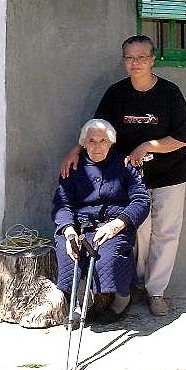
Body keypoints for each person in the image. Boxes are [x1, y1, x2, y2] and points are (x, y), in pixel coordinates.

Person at [61, 35, 186, 316]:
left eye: (142, 57)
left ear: (153, 59)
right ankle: (134, 285)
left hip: (170, 174)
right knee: (137, 233)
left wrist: (146, 146)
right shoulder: (116, 94)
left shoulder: (170, 93)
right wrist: (75, 150)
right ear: (123, 61)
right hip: (129, 179)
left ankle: (156, 292)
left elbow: (181, 138)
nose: (136, 63)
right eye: (130, 58)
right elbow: (97, 130)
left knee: (166, 233)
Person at [52, 119, 150, 324]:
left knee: (108, 255)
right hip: (79, 225)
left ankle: (122, 298)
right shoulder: (74, 166)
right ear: (83, 143)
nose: (97, 146)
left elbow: (141, 199)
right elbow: (62, 203)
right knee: (68, 251)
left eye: (103, 140)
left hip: (113, 224)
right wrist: (69, 231)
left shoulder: (124, 164)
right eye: (92, 141)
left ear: (111, 142)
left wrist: (118, 224)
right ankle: (75, 302)